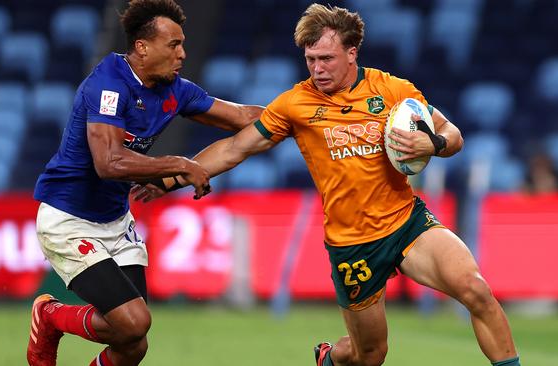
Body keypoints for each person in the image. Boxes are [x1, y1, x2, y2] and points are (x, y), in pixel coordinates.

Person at [161, 4, 521, 366]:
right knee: (369, 355)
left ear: (352, 53)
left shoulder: (392, 90)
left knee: (476, 290)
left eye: (327, 58)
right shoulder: (295, 104)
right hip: (353, 245)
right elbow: (236, 148)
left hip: (407, 222)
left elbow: (451, 133)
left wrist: (434, 143)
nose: (317, 69)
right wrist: (172, 175)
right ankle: (331, 358)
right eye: (310, 59)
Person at [27, 1, 263, 365]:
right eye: (173, 45)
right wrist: (180, 165)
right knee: (134, 322)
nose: (182, 53)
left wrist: (304, 113)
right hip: (69, 220)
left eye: (183, 44)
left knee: (133, 343)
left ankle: (57, 318)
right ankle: (51, 316)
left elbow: (243, 117)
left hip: (116, 222)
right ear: (142, 47)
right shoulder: (107, 85)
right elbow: (108, 162)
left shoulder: (176, 89)